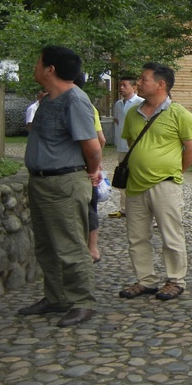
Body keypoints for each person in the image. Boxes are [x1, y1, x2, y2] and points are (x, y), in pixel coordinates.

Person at [18, 45, 102, 328]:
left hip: (64, 183)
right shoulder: (48, 98)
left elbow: (93, 147)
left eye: (38, 62)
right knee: (46, 246)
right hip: (42, 181)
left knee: (70, 245)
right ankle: (57, 298)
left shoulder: (75, 100)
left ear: (50, 69)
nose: (34, 66)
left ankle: (83, 301)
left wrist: (92, 171)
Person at [118, 63, 192, 301]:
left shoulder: (180, 114)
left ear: (161, 84)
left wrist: (173, 172)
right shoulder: (132, 113)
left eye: (144, 79)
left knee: (171, 235)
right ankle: (146, 280)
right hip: (135, 184)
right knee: (137, 237)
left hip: (165, 184)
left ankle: (175, 280)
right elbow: (132, 143)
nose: (138, 83)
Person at [74, 73, 107, 263]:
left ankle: (92, 249)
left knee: (88, 207)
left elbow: (100, 140)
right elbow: (101, 140)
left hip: (82, 168)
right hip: (86, 166)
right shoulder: (88, 105)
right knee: (90, 206)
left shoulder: (81, 105)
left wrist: (93, 166)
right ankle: (92, 248)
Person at [108, 75, 143, 218]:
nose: (121, 88)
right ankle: (124, 208)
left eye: (125, 85)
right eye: (120, 85)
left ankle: (140, 209)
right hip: (122, 146)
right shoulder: (118, 104)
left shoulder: (140, 103)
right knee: (122, 176)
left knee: (137, 177)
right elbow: (117, 121)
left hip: (136, 147)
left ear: (134, 87)